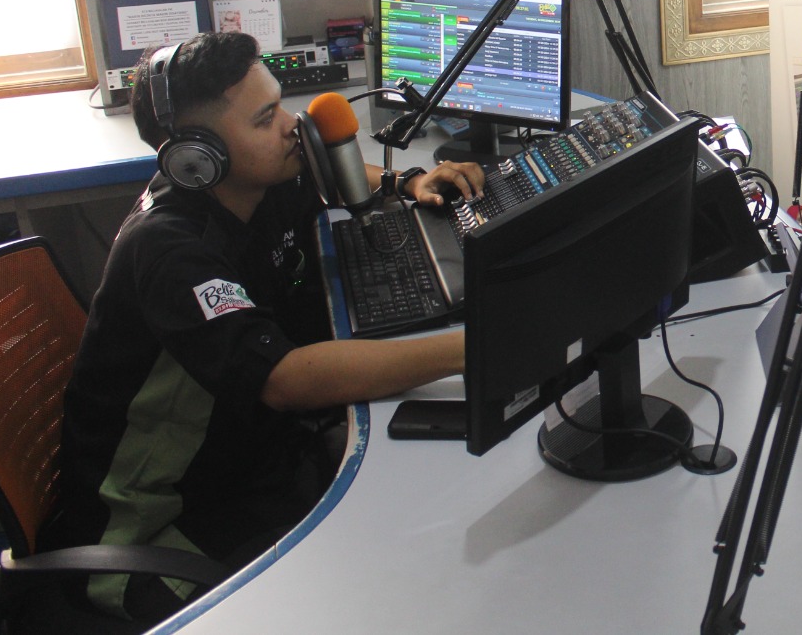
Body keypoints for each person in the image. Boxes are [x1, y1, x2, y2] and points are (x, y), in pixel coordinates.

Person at [43, 32, 484, 623]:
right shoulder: (170, 252)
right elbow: (285, 379)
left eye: (279, 104)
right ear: (198, 158)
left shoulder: (260, 183)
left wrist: (404, 182)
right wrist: (469, 346)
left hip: (247, 465)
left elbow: (331, 174)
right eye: (264, 118)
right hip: (153, 531)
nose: (291, 126)